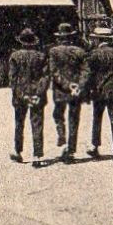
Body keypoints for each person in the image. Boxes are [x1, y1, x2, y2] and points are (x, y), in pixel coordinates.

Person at [81, 25, 113, 160]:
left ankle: (95, 146)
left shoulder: (94, 54)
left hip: (99, 91)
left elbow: (88, 74)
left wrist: (87, 89)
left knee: (97, 118)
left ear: (98, 40)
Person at [46, 23, 88, 161]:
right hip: (75, 91)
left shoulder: (53, 52)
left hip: (60, 90)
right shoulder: (80, 51)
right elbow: (86, 71)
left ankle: (62, 136)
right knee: (74, 119)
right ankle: (71, 149)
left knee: (58, 114)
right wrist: (78, 86)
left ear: (59, 37)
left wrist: (66, 85)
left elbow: (54, 72)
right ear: (71, 37)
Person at [8, 27, 49, 164]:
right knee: (37, 123)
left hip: (20, 96)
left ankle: (17, 150)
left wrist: (21, 94)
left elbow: (12, 79)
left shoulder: (15, 57)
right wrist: (38, 93)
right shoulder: (41, 56)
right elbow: (45, 77)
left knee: (19, 123)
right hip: (37, 95)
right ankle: (37, 155)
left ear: (21, 42)